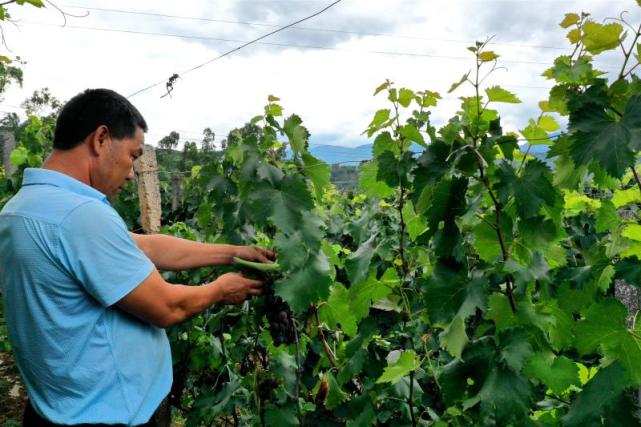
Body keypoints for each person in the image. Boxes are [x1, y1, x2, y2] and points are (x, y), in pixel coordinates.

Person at [0, 88, 273, 426]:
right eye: (133, 154)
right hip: (111, 414)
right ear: (101, 139)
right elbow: (168, 307)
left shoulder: (24, 207)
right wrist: (220, 290)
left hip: (55, 408)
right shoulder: (80, 215)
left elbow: (146, 247)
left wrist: (233, 253)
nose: (132, 173)